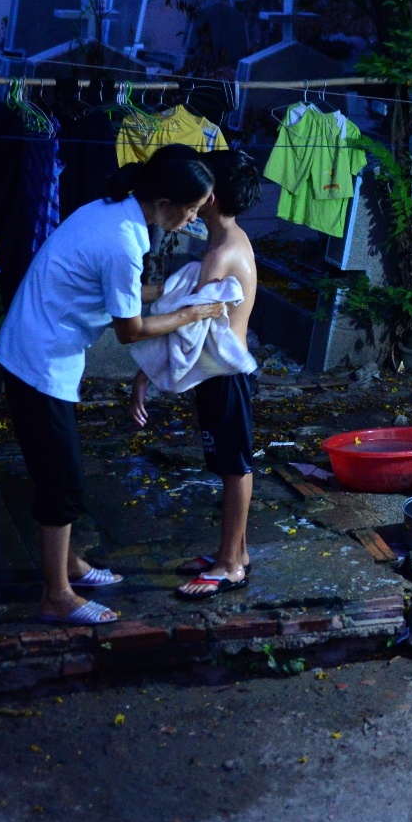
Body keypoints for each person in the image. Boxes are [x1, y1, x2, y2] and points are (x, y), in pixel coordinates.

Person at [0, 144, 226, 625]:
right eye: (191, 209)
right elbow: (130, 329)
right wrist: (189, 312)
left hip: (34, 347)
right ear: (164, 203)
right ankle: (56, 594)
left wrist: (167, 291)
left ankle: (70, 564)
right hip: (38, 361)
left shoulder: (109, 212)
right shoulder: (123, 240)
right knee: (63, 480)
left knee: (58, 468)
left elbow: (119, 291)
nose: (193, 219)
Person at [128, 149, 262, 599]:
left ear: (210, 197)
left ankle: (229, 565)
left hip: (226, 375)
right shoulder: (226, 241)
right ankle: (235, 553)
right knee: (229, 463)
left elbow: (186, 322)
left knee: (234, 467)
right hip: (223, 373)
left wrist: (145, 372)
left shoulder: (222, 254)